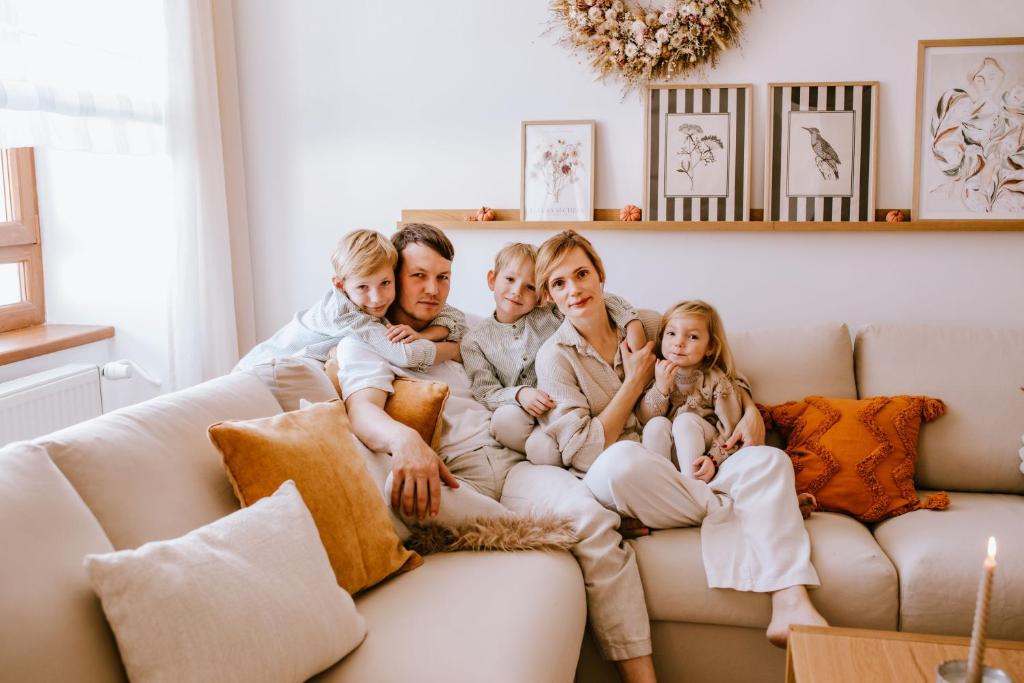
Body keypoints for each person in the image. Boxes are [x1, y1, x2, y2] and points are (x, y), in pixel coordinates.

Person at [338, 224, 664, 683]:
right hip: (458, 477)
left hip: (515, 464)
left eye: (444, 277)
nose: (433, 289)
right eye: (418, 276)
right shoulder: (365, 346)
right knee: (576, 517)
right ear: (394, 274)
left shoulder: (467, 330)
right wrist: (405, 441)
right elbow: (363, 413)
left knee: (595, 522)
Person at [533, 230, 827, 677]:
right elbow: (584, 451)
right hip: (626, 476)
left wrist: (749, 411)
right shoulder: (553, 358)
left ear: (600, 274)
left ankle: (790, 599)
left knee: (770, 461)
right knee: (621, 461)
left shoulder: (649, 324)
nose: (574, 289)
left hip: (685, 475)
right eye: (559, 283)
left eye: (581, 274)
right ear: (549, 295)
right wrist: (635, 382)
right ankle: (753, 505)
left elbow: (718, 367)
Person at [461, 241, 646, 465]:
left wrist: (631, 320)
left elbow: (596, 299)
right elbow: (484, 390)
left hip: (563, 401)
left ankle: (572, 442)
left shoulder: (550, 313)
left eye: (530, 287)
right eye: (509, 279)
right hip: (525, 411)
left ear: (541, 295)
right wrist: (519, 394)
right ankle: (562, 448)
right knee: (506, 422)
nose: (517, 291)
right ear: (492, 279)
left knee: (543, 450)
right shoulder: (474, 340)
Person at [234, 229, 464, 372]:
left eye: (385, 283)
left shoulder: (381, 299)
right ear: (340, 285)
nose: (376, 298)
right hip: (256, 369)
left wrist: (425, 336)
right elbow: (405, 356)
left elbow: (454, 316)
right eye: (419, 275)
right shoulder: (347, 312)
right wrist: (455, 350)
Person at [637, 299, 746, 482]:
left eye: (693, 337)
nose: (679, 342)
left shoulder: (716, 380)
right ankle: (660, 487)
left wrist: (714, 458)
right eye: (671, 333)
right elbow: (644, 419)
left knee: (685, 421)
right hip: (668, 453)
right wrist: (661, 388)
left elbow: (731, 428)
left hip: (703, 453)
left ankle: (693, 489)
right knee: (656, 425)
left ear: (710, 347)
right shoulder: (657, 372)